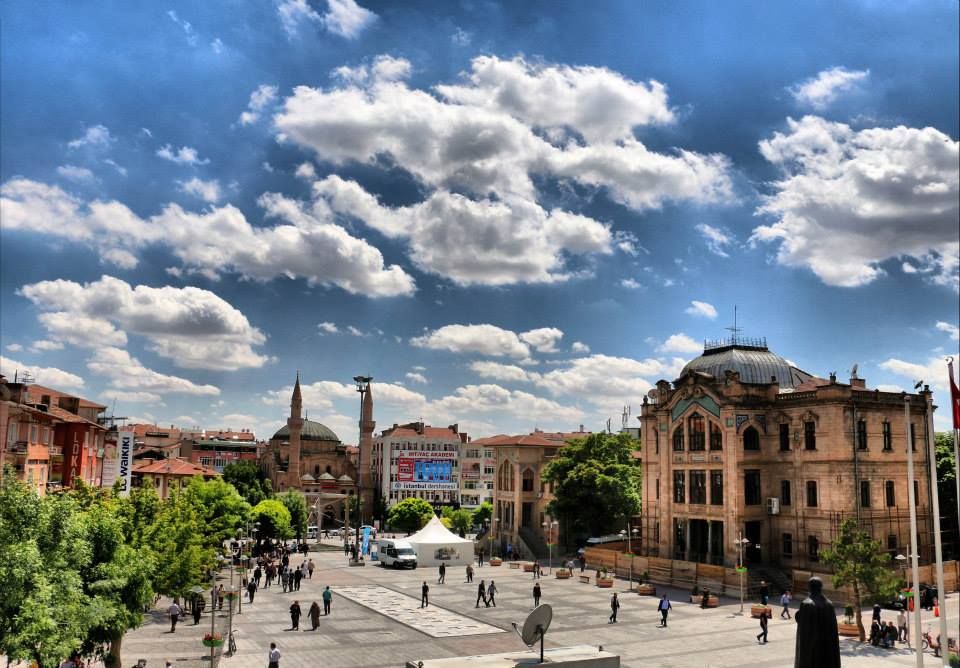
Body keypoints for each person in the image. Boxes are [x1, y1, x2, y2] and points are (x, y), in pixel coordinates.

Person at [794, 576, 841, 668]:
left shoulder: (806, 604)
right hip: (826, 648)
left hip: (812, 650)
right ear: (821, 587)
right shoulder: (829, 604)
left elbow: (803, 625)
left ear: (810, 587)